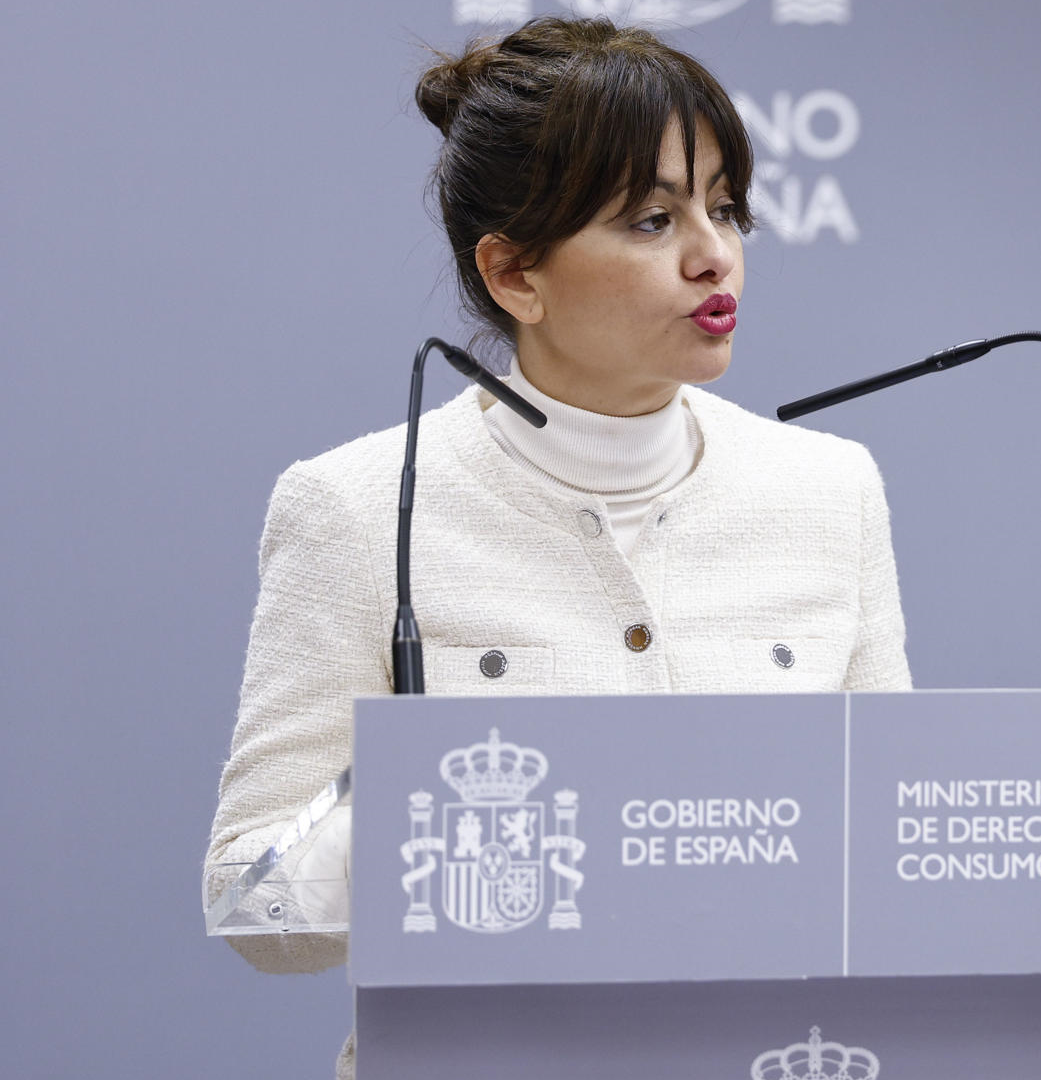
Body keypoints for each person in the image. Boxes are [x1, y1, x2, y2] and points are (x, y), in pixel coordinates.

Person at [204, 17, 910, 1078]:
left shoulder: (830, 490)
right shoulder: (353, 507)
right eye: (650, 219)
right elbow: (254, 898)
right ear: (514, 275)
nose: (714, 253)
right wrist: (505, 828)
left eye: (725, 208)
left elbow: (891, 849)